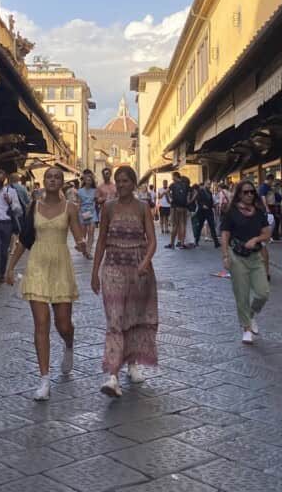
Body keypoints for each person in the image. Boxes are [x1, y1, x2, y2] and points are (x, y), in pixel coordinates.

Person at [5, 167, 88, 400]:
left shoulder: (70, 208)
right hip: (38, 266)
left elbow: (79, 236)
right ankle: (44, 380)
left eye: (57, 177)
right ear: (44, 182)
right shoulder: (33, 207)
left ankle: (69, 344)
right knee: (41, 323)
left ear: (62, 183)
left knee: (63, 325)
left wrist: (82, 245)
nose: (53, 180)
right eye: (49, 177)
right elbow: (24, 239)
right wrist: (10, 267)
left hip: (61, 267)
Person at [91, 165, 158, 398]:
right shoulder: (108, 208)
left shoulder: (142, 208)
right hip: (113, 267)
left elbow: (152, 241)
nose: (120, 185)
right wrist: (94, 272)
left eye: (125, 181)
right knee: (115, 319)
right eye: (118, 181)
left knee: (134, 317)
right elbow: (100, 242)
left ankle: (132, 364)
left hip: (138, 268)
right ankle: (112, 375)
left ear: (133, 183)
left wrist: (145, 262)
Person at [220, 181, 272, 344]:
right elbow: (225, 235)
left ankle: (251, 314)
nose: (249, 195)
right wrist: (225, 256)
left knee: (263, 293)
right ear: (239, 194)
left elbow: (267, 234)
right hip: (237, 256)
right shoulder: (232, 212)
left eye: (251, 192)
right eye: (246, 192)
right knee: (241, 294)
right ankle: (246, 328)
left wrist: (256, 239)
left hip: (255, 257)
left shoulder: (259, 213)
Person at [77, 170, 98, 260]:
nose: (89, 180)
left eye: (90, 179)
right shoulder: (80, 191)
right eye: (87, 178)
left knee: (91, 231)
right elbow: (78, 203)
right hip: (83, 213)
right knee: (83, 234)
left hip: (92, 213)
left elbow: (97, 201)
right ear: (84, 180)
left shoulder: (95, 191)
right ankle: (84, 250)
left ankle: (89, 251)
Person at [192, 180, 218, 247]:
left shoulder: (210, 192)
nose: (209, 185)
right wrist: (202, 205)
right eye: (208, 184)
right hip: (202, 212)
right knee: (200, 227)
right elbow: (198, 200)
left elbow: (211, 202)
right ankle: (196, 241)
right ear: (205, 184)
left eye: (210, 184)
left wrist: (214, 206)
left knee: (212, 226)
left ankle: (216, 242)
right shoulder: (200, 191)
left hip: (209, 211)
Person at [168, 173, 190, 249]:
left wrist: (171, 199)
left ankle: (172, 244)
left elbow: (167, 192)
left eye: (172, 176)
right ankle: (182, 244)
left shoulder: (173, 185)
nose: (172, 178)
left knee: (175, 225)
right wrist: (189, 201)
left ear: (175, 176)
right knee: (183, 224)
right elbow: (192, 193)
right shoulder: (186, 185)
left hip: (176, 206)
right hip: (184, 206)